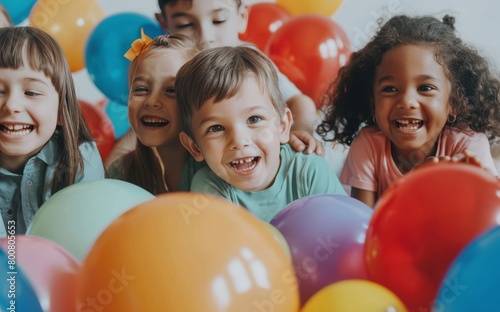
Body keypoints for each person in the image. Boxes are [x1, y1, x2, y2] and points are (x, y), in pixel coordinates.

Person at [104, 0, 322, 170]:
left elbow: (298, 100)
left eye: (218, 20)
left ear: (242, 16)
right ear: (164, 24)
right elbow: (146, 123)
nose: (206, 37)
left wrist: (301, 129)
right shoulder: (175, 65)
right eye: (186, 25)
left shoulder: (249, 63)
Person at [317, 15, 500, 208]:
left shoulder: (468, 144)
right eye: (390, 89)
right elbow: (363, 227)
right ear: (373, 104)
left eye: (425, 88)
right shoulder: (368, 145)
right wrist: (414, 183)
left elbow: (484, 219)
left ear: (454, 102)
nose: (406, 102)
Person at [176, 45, 346, 222]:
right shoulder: (208, 189)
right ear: (195, 147)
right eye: (216, 128)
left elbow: (344, 231)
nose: (239, 141)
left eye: (254, 119)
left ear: (282, 125)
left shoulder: (310, 171)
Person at [0, 26, 105, 234]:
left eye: (31, 92)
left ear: (60, 111)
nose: (12, 105)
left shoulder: (80, 161)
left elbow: (80, 243)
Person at [107, 32, 205, 194]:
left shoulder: (215, 167)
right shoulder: (122, 172)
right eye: (141, 89)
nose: (152, 101)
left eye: (171, 90)